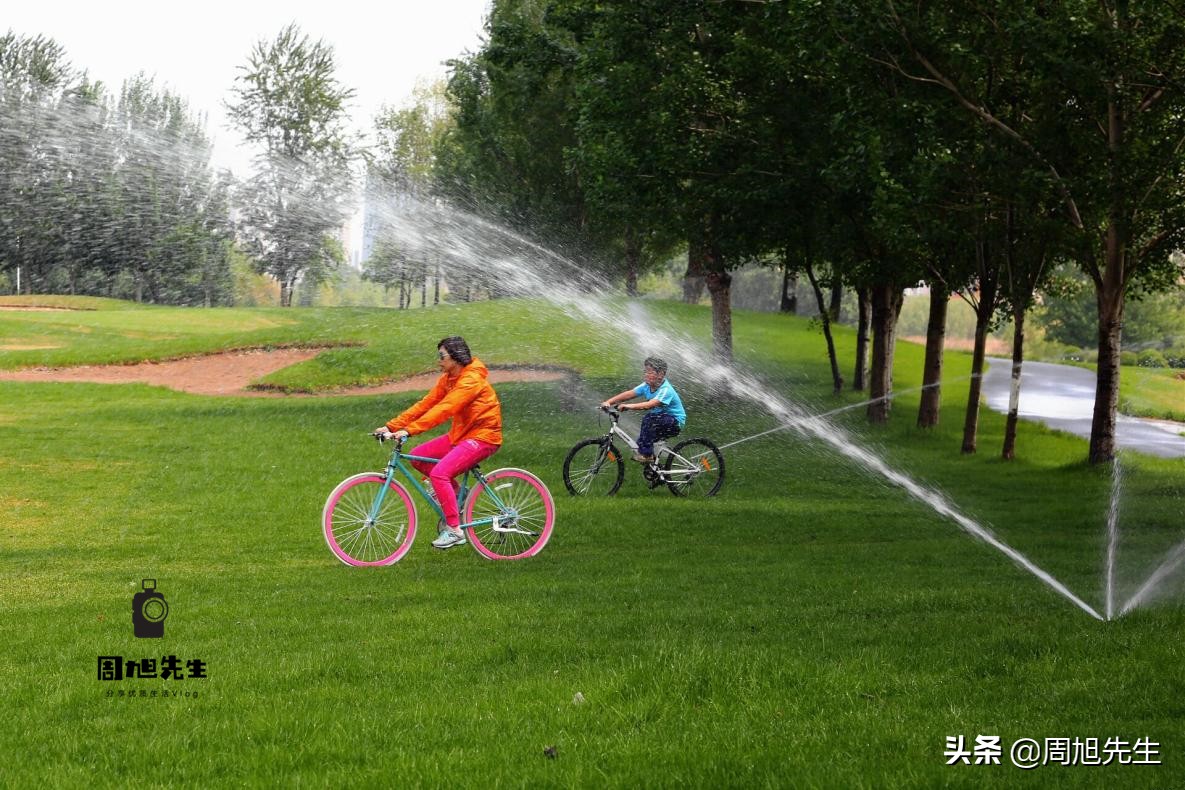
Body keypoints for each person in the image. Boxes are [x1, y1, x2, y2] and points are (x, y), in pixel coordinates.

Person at [374, 336, 501, 550]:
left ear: (456, 357)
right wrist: (392, 426)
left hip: (483, 437)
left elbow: (445, 409)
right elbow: (426, 404)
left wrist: (410, 430)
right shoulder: (448, 378)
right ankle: (459, 497)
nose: (438, 361)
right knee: (418, 457)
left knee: (439, 474)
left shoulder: (471, 380)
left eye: (442, 356)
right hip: (461, 435)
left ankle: (454, 531)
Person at [600, 356, 686, 462]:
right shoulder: (647, 385)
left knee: (649, 419)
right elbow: (629, 394)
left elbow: (649, 405)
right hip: (660, 420)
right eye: (645, 372)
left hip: (674, 423)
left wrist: (628, 406)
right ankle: (655, 470)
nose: (646, 375)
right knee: (641, 442)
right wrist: (609, 402)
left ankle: (647, 456)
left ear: (661, 374)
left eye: (650, 372)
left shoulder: (666, 390)